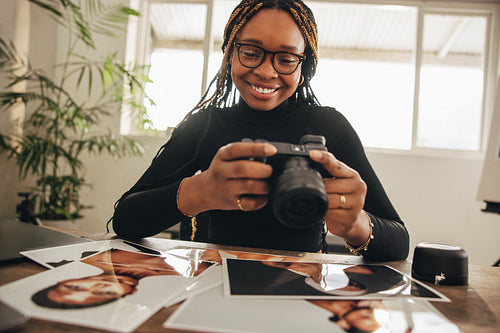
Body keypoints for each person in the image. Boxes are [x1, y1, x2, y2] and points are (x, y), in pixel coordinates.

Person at [111, 0, 409, 261]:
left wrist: (355, 224)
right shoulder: (205, 125)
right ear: (229, 54)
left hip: (301, 293)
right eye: (251, 53)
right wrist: (201, 192)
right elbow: (125, 220)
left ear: (304, 68)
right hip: (210, 289)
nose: (267, 72)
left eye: (286, 59)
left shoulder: (330, 127)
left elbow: (399, 242)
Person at [31, 249, 212, 309]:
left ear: (65, 281)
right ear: (129, 293)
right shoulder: (193, 278)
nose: (99, 286)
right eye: (105, 294)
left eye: (76, 288)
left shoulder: (96, 256)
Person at [308, 299, 388, 333]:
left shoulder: (314, 297)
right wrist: (376, 299)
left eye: (370, 329)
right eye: (377, 324)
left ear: (344, 325)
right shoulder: (365, 298)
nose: (375, 322)